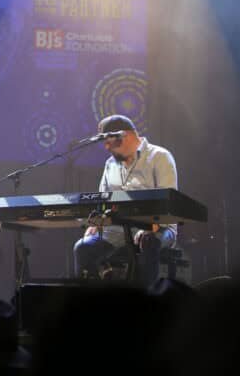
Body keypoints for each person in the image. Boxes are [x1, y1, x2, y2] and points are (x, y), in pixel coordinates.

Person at [73, 114, 178, 286]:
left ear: (126, 136)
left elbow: (169, 202)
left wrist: (152, 226)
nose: (106, 147)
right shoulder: (110, 164)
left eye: (109, 141)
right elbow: (102, 199)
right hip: (119, 229)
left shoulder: (159, 157)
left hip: (158, 227)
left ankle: (145, 303)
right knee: (83, 247)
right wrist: (95, 224)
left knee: (148, 241)